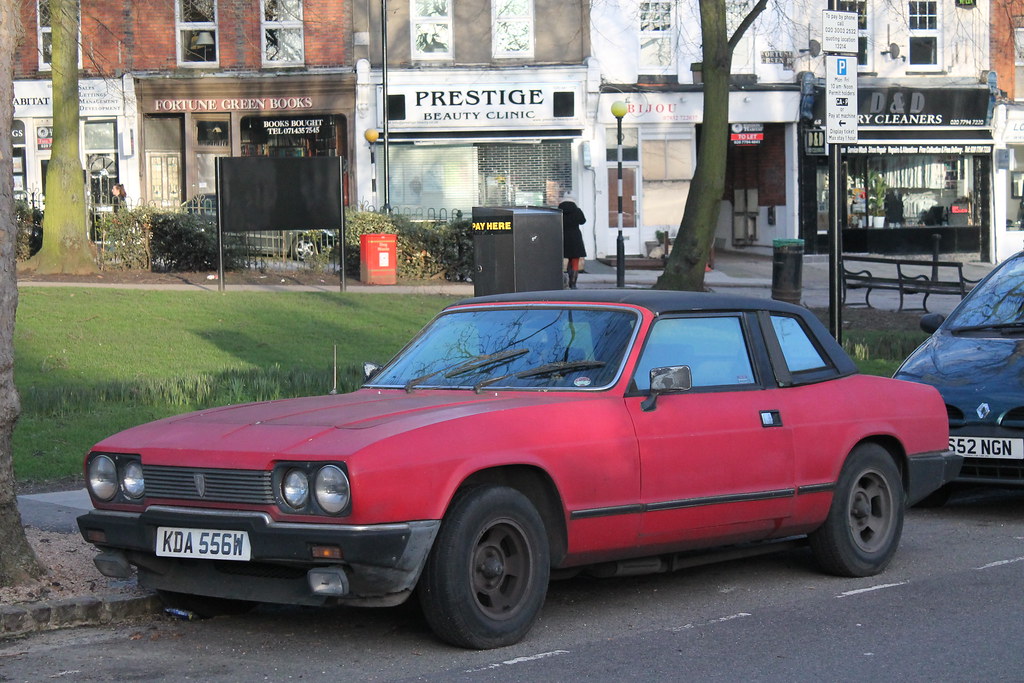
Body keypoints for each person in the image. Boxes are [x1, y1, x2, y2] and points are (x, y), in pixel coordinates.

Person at [559, 198, 587, 289]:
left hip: (562, 237)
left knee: (559, 261)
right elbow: (583, 221)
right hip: (575, 237)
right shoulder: (577, 211)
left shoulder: (559, 212)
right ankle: (573, 283)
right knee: (574, 261)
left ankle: (562, 282)